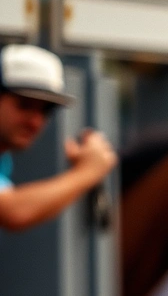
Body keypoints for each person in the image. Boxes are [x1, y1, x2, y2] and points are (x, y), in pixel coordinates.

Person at [0, 43, 117, 232]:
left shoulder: (4, 158)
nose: (35, 122)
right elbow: (13, 211)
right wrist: (88, 171)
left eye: (46, 110)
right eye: (24, 105)